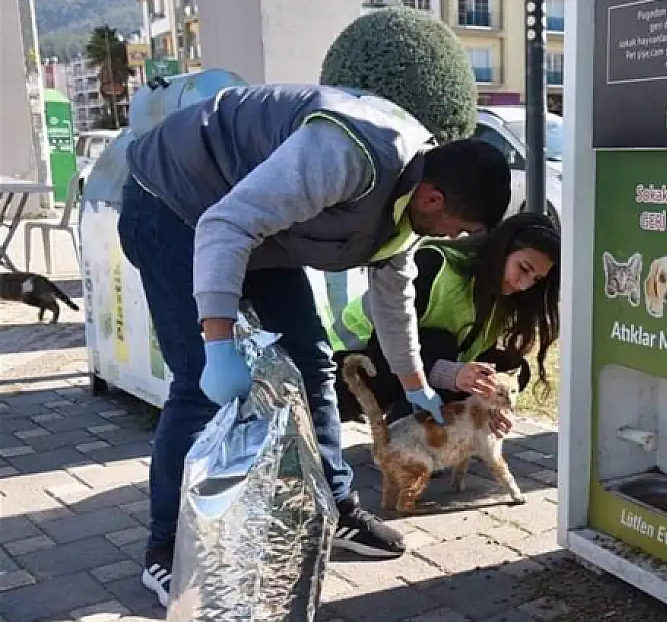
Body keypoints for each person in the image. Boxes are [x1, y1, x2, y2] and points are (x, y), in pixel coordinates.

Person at [116, 83, 510, 607]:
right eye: (461, 230)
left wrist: (417, 385)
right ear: (433, 198)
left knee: (312, 366)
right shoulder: (346, 156)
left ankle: (337, 509)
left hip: (253, 222)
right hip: (175, 202)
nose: (457, 241)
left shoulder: (413, 202)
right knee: (197, 386)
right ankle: (166, 550)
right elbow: (226, 223)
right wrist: (217, 346)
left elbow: (393, 297)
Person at [330, 212, 560, 430]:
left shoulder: (504, 299)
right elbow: (385, 350)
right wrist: (453, 374)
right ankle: (408, 434)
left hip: (407, 371)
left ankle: (436, 430)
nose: (525, 285)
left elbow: (472, 356)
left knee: (510, 367)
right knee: (441, 343)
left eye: (536, 279)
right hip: (349, 368)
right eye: (523, 268)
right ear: (502, 250)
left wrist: (494, 405)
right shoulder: (434, 264)